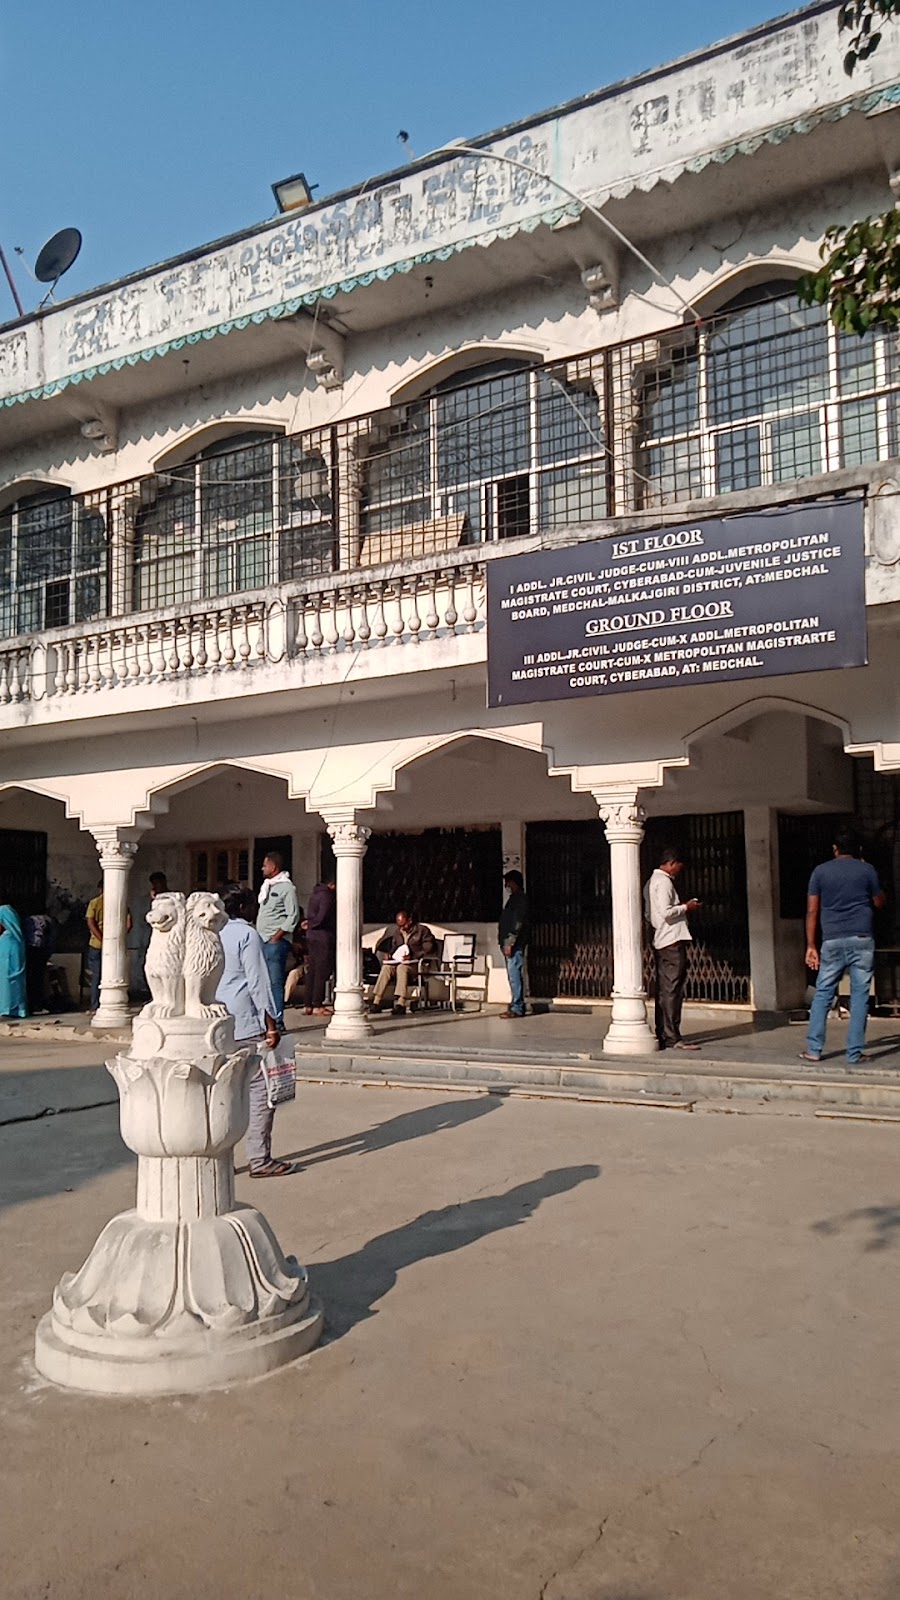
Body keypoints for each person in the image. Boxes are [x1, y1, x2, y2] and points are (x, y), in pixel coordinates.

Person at [216, 885, 293, 1178]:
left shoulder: (213, 933)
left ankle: (220, 1157)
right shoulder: (247, 934)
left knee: (224, 1092)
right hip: (245, 1021)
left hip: (216, 1021)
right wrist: (272, 1024)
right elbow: (258, 983)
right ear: (245, 907)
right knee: (260, 1090)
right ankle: (259, 1159)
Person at [800, 827, 886, 1066]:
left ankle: (814, 1050)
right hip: (862, 938)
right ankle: (854, 1053)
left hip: (832, 940)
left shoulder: (820, 872)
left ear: (835, 849)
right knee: (859, 995)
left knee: (823, 993)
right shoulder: (867, 870)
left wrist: (811, 945)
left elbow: (812, 910)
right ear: (857, 849)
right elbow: (879, 902)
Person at [644, 848, 701, 1052]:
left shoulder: (651, 882)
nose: (678, 871)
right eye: (678, 867)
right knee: (672, 990)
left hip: (662, 939)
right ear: (671, 863)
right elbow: (667, 912)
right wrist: (687, 907)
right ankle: (671, 1036)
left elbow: (651, 915)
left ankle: (665, 1032)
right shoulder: (664, 882)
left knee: (666, 989)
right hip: (671, 940)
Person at [256, 852, 301, 1030]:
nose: (262, 868)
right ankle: (264, 1020)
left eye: (265, 865)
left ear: (274, 867)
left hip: (275, 942)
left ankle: (278, 1020)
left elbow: (293, 915)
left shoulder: (286, 888)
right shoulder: (267, 886)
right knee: (262, 982)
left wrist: (277, 936)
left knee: (275, 982)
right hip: (261, 940)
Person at [370, 910, 436, 1015]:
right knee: (386, 968)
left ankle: (401, 1003)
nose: (401, 928)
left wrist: (413, 956)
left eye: (403, 925)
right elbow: (395, 947)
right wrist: (390, 955)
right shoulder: (398, 932)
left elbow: (428, 948)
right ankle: (377, 1001)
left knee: (402, 968)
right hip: (400, 962)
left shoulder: (422, 931)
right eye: (399, 925)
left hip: (416, 964)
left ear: (409, 921)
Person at [85, 881, 133, 1013]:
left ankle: (95, 1006)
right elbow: (129, 924)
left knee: (97, 976)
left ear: (100, 889)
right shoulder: (120, 902)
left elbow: (90, 922)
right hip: (115, 945)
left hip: (97, 944)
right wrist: (119, 937)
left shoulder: (95, 902)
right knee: (116, 975)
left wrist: (102, 938)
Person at [498, 870, 530, 1019]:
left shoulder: (519, 901)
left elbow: (516, 923)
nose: (506, 885)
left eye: (508, 882)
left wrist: (510, 942)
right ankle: (515, 1005)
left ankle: (517, 1006)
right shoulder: (514, 899)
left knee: (514, 974)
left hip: (514, 944)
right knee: (513, 974)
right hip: (510, 942)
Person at [303, 875, 336, 1016]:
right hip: (322, 936)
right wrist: (313, 924)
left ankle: (307, 1004)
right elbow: (322, 916)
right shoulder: (326, 895)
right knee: (320, 971)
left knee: (312, 970)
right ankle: (317, 1003)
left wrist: (309, 924)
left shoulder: (314, 894)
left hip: (311, 935)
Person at [0, 897, 28, 1019]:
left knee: (7, 981)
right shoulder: (17, 939)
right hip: (13, 952)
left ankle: (8, 1009)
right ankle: (18, 1009)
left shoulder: (7, 938)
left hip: (8, 958)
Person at [24, 910, 57, 1014]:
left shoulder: (26, 920)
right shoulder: (48, 920)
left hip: (30, 950)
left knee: (30, 979)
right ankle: (37, 1005)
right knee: (38, 979)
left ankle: (31, 1005)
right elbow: (51, 939)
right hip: (39, 950)